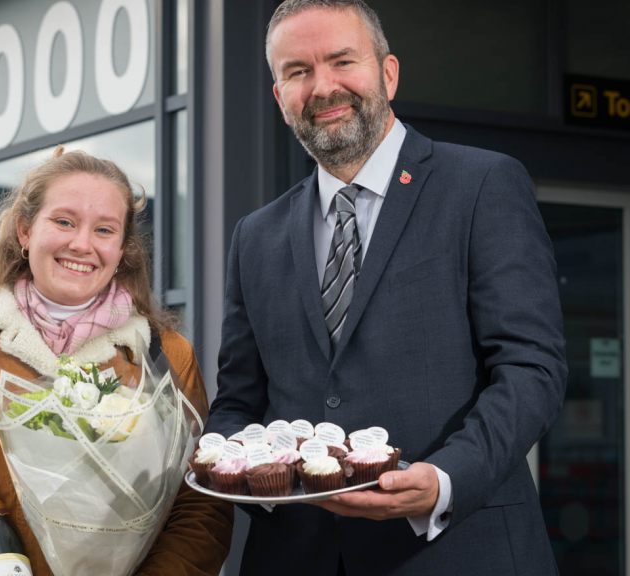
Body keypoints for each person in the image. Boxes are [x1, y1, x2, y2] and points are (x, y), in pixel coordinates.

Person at [204, 1, 567, 574]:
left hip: (460, 549)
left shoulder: (482, 185)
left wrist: (447, 478)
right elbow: (237, 402)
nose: (322, 87)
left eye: (342, 61)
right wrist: (238, 467)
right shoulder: (256, 235)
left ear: (388, 72)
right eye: (297, 71)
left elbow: (531, 368)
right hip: (296, 556)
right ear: (280, 97)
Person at [0, 147, 232, 575]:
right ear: (25, 231)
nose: (82, 244)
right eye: (64, 222)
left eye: (104, 230)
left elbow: (201, 509)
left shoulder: (166, 355)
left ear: (122, 250)